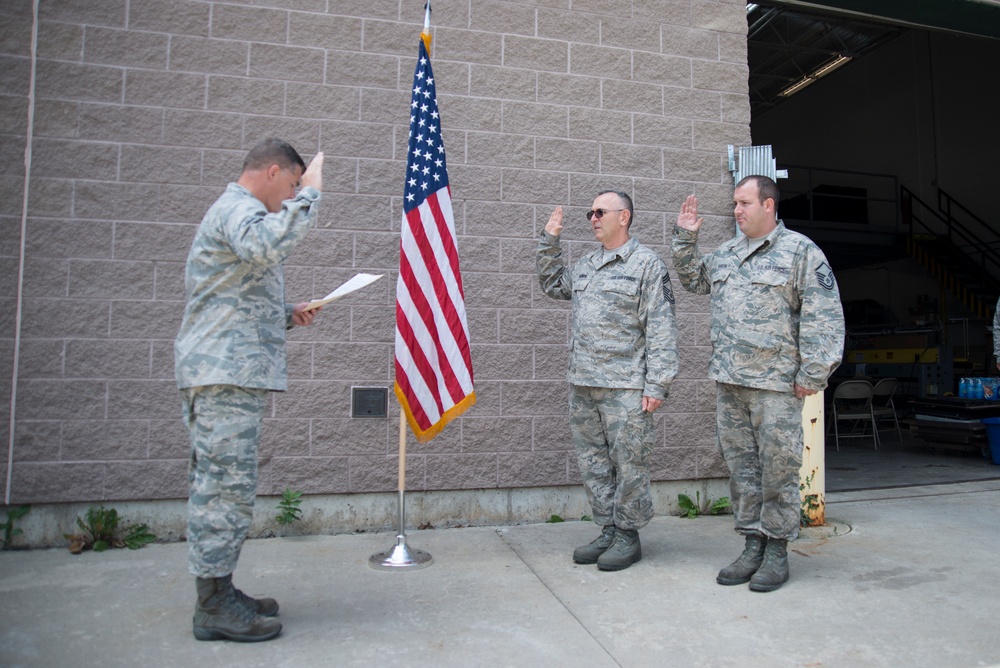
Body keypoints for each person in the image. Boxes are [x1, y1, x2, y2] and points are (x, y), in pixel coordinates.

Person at [175, 139, 324, 641]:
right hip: (223, 374)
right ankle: (212, 604)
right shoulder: (237, 211)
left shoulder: (237, 213)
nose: (293, 194)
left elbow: (231, 294)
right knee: (223, 489)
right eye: (293, 184)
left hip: (227, 370)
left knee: (227, 486)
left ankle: (220, 588)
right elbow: (266, 246)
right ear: (273, 171)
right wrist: (312, 198)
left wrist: (286, 314)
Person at [671, 175, 845, 592]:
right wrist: (685, 238)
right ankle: (752, 543)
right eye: (734, 203)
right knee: (742, 469)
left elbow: (825, 317)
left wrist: (812, 376)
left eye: (745, 202)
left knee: (778, 471)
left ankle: (778, 550)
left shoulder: (800, 252)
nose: (737, 210)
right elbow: (694, 280)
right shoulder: (727, 253)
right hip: (730, 383)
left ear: (769, 205)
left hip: (776, 386)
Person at [537, 190, 679, 571]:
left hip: (626, 387)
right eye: (590, 213)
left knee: (630, 464)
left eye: (600, 212)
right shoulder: (585, 265)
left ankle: (628, 536)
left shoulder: (647, 265)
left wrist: (657, 384)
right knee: (594, 464)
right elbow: (553, 285)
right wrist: (550, 241)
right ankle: (608, 528)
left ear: (625, 216)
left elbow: (661, 328)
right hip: (583, 385)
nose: (593, 218)